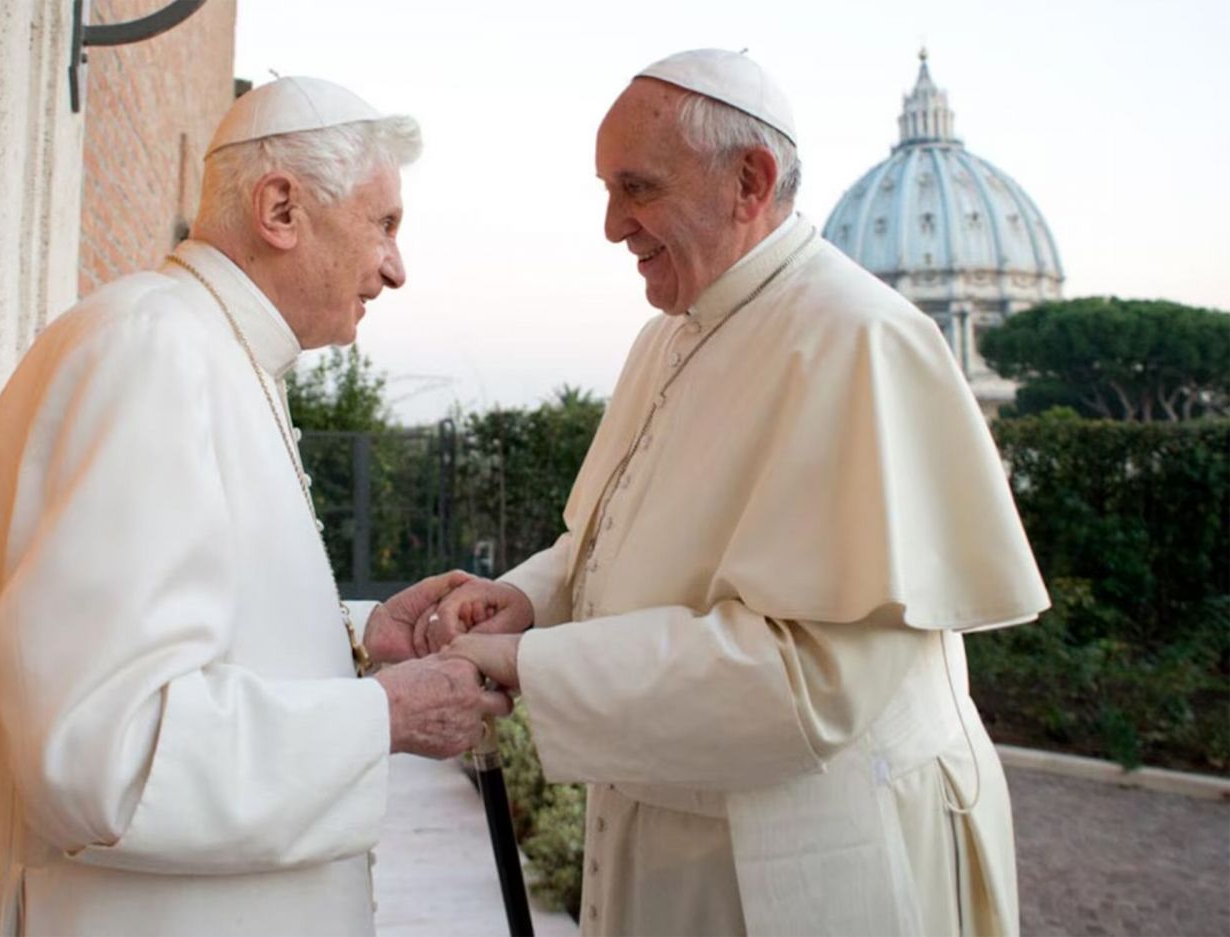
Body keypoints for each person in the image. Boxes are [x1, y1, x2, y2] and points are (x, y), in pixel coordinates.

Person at [421, 49, 1050, 937]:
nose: (612, 225)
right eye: (607, 190)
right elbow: (612, 541)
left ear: (748, 181)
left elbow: (812, 678)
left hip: (807, 857)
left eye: (637, 188)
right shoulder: (670, 335)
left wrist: (533, 665)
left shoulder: (857, 338)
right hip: (672, 832)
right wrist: (525, 599)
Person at [0, 77, 509, 937]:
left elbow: (199, 628)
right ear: (281, 209)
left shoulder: (207, 348)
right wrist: (386, 715)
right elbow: (102, 751)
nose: (395, 267)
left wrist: (361, 635)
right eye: (384, 223)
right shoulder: (156, 352)